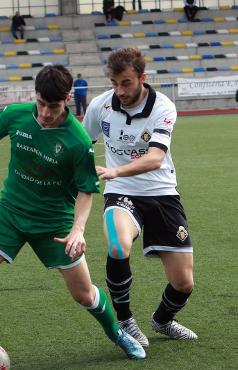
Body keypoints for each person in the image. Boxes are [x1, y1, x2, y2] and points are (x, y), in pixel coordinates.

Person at [0, 65, 146, 370]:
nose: (46, 113)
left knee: (84, 295)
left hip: (55, 223)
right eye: (41, 104)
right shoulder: (17, 115)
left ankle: (117, 333)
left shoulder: (77, 140)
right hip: (10, 212)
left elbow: (88, 191)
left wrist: (77, 230)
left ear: (67, 100)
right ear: (34, 97)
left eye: (54, 106)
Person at [83, 47, 198, 349]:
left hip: (161, 193)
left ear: (142, 78)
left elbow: (155, 158)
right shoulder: (100, 106)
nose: (119, 90)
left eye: (126, 82)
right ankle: (125, 322)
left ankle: (162, 320)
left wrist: (115, 171)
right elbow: (82, 143)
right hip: (120, 193)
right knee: (118, 245)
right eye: (114, 83)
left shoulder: (163, 107)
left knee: (183, 283)